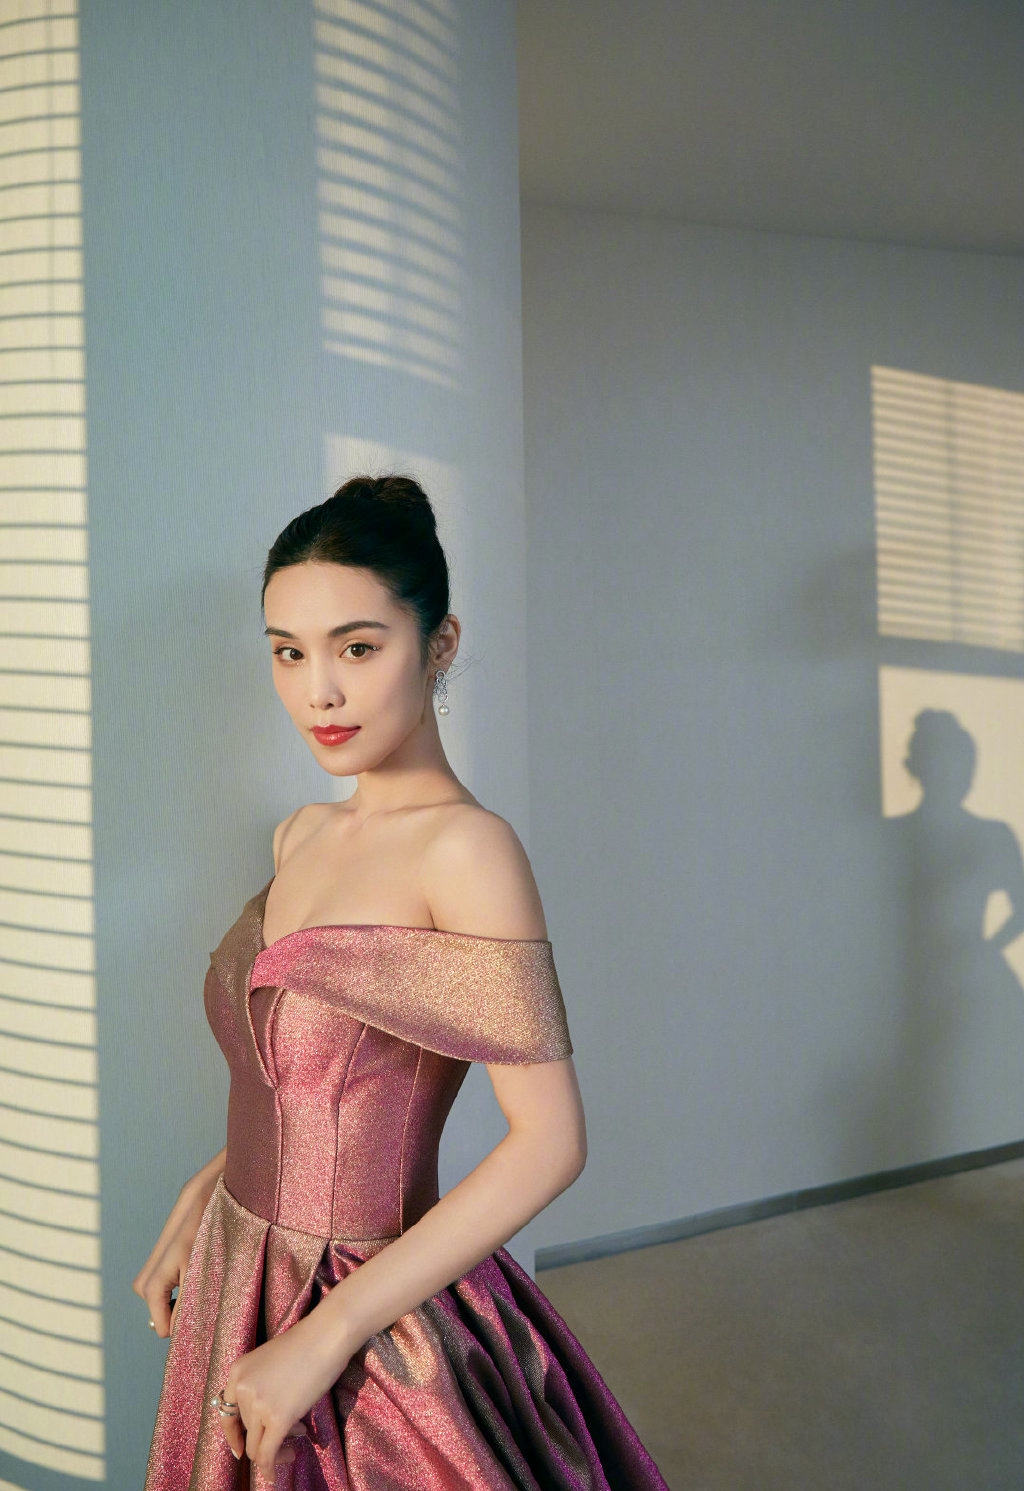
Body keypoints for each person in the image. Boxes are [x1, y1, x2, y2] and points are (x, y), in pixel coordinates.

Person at [134, 474, 669, 1488]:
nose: (318, 694)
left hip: (365, 1307)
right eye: (288, 652)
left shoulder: (466, 852)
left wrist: (326, 1334)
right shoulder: (300, 833)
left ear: (440, 643)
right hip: (236, 1275)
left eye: (357, 648)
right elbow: (295, 1083)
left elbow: (550, 1142)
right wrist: (208, 1193)